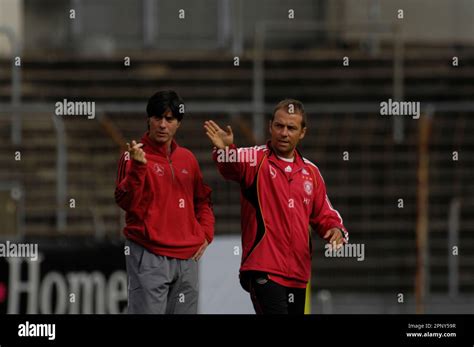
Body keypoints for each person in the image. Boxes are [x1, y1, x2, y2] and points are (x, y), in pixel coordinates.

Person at [204, 99, 348, 314]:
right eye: (279, 126)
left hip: (298, 275)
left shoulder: (311, 172)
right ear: (270, 126)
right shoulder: (254, 159)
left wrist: (336, 230)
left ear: (302, 132)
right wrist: (225, 150)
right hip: (264, 269)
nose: (284, 133)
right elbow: (231, 168)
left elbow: (324, 213)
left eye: (291, 128)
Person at [115, 90, 215, 314]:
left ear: (178, 123)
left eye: (169, 119)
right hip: (149, 254)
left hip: (188, 259)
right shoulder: (133, 156)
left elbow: (203, 200)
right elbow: (125, 202)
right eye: (157, 118)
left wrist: (206, 233)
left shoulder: (188, 159)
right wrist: (138, 169)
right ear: (148, 120)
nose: (162, 124)